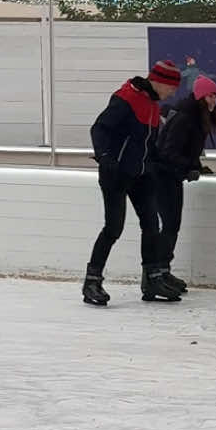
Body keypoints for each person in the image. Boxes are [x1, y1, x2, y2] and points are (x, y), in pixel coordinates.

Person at [84, 59, 184, 306]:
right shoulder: (127, 98)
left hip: (141, 174)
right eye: (172, 87)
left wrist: (171, 166)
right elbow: (99, 128)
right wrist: (105, 157)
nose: (173, 92)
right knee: (113, 228)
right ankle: (92, 281)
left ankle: (152, 279)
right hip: (116, 173)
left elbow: (149, 145)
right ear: (159, 82)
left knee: (151, 224)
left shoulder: (152, 104)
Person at [154, 75, 216, 289]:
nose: (215, 101)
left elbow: (185, 150)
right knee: (169, 225)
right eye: (211, 96)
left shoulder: (195, 118)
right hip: (162, 176)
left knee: (172, 225)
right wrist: (189, 167)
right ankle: (157, 273)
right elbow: (167, 152)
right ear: (202, 96)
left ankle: (163, 271)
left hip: (172, 175)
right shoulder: (186, 118)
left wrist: (195, 166)